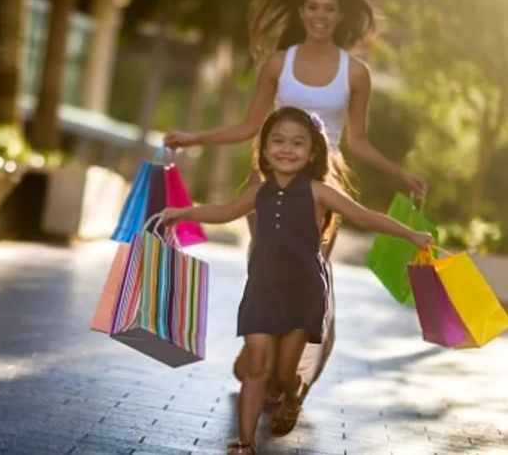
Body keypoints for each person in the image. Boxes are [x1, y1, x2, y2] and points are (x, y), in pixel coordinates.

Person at [163, 0, 427, 416]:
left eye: (329, 8)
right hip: (267, 180)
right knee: (262, 261)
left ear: (340, 15)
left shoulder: (355, 72)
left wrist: (400, 173)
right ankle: (258, 357)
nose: (320, 16)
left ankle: (296, 376)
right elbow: (249, 127)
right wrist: (194, 138)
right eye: (312, 7)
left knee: (311, 272)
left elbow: (358, 141)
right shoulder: (276, 64)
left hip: (325, 183)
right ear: (301, 12)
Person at [161, 107, 433, 454]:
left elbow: (364, 217)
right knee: (258, 365)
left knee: (283, 375)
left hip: (304, 294)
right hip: (262, 290)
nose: (286, 149)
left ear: (312, 152)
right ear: (264, 148)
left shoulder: (319, 192)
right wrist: (183, 212)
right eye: (278, 140)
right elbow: (224, 211)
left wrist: (412, 235)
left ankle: (293, 393)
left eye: (297, 143)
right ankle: (245, 444)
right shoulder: (259, 191)